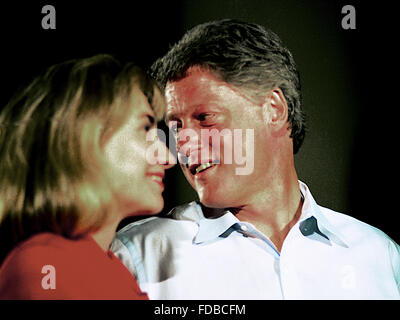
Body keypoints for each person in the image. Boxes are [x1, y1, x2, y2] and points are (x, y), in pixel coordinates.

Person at [111, 19, 400, 299]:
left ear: (273, 109)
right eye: (175, 126)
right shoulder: (139, 255)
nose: (181, 144)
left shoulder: (381, 256)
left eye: (205, 118)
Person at [0, 54, 174, 299]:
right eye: (145, 128)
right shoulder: (43, 266)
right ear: (79, 139)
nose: (168, 157)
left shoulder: (114, 270)